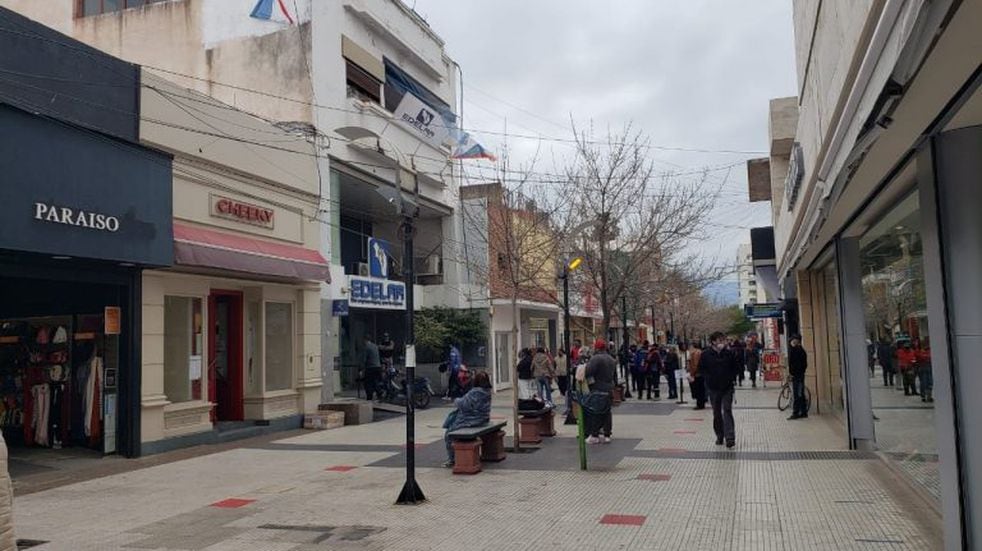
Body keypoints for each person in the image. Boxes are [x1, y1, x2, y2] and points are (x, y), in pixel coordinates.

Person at [442, 371, 493, 467]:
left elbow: (464, 404)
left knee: (449, 434)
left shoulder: (475, 392)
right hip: (483, 419)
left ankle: (452, 459)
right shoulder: (487, 391)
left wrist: (456, 400)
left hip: (470, 420)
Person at [698, 332, 740, 447]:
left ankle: (730, 437)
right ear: (713, 342)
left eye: (723, 340)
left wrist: (731, 378)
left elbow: (736, 367)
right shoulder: (706, 354)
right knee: (716, 413)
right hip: (713, 388)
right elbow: (701, 369)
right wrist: (708, 379)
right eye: (719, 340)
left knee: (727, 410)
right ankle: (720, 435)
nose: (722, 342)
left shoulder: (729, 354)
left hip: (727, 387)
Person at [584, 339, 617, 444]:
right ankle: (607, 435)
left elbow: (588, 372)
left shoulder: (596, 358)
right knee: (607, 412)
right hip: (609, 388)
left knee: (596, 412)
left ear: (597, 348)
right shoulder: (611, 358)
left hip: (598, 388)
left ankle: (594, 435)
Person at [788, 335, 808, 419]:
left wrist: (794, 372)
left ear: (797, 342)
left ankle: (796, 412)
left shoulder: (797, 351)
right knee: (800, 394)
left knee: (797, 394)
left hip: (798, 376)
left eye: (793, 341)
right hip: (798, 375)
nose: (791, 343)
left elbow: (801, 364)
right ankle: (803, 411)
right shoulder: (797, 350)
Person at [361, 335, 382, 401]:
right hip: (378, 367)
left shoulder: (366, 347)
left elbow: (364, 359)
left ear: (365, 340)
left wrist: (361, 369)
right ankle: (379, 392)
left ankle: (369, 397)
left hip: (370, 367)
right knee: (375, 381)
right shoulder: (375, 346)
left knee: (368, 383)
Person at [687, 344, 706, 409]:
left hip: (697, 374)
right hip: (701, 374)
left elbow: (695, 364)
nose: (689, 349)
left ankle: (699, 404)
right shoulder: (700, 352)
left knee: (698, 390)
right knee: (701, 390)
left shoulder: (694, 354)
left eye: (690, 347)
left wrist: (692, 373)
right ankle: (702, 403)